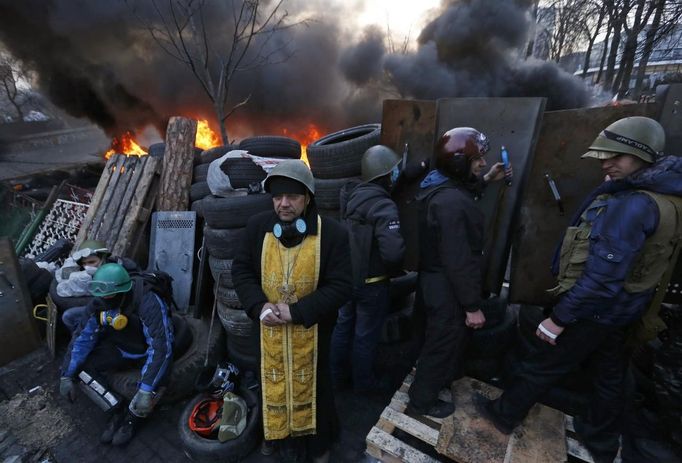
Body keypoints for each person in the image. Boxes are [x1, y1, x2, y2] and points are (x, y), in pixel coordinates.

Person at [474, 117, 682, 463]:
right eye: (605, 156)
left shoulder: (633, 205)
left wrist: (559, 318)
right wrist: (613, 185)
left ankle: (503, 414)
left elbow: (602, 277)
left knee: (544, 364)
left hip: (595, 308)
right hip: (625, 307)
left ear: (643, 156)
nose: (606, 163)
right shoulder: (663, 194)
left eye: (617, 157)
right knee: (610, 372)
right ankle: (600, 440)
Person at [232, 160, 352, 463]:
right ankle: (274, 435)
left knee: (315, 390)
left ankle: (318, 445)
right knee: (271, 382)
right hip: (268, 333)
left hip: (312, 334)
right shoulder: (257, 227)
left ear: (308, 197)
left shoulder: (333, 234)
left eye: (293, 197)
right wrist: (259, 306)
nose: (283, 204)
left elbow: (342, 286)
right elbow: (241, 271)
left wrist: (297, 312)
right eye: (277, 197)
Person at [406, 127, 510, 418]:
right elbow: (458, 259)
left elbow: (462, 190)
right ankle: (421, 402)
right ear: (459, 162)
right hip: (447, 286)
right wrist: (472, 306)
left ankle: (430, 384)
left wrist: (487, 180)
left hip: (432, 280)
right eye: (478, 160)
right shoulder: (451, 203)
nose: (483, 164)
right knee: (442, 344)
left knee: (434, 338)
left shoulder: (437, 187)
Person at [59, 263, 174, 446]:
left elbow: (161, 346)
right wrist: (66, 374)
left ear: (122, 290)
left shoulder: (146, 299)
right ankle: (117, 409)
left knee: (158, 379)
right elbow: (81, 339)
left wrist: (146, 388)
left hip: (144, 347)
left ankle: (133, 418)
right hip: (120, 345)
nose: (104, 299)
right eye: (100, 295)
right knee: (80, 370)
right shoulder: (98, 303)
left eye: (108, 295)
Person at [330, 145, 406, 393]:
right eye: (394, 171)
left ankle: (337, 380)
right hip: (372, 284)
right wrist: (397, 271)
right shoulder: (384, 206)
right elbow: (393, 253)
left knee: (342, 328)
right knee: (365, 336)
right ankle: (364, 386)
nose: (397, 175)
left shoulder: (353, 195)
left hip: (345, 280)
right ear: (385, 176)